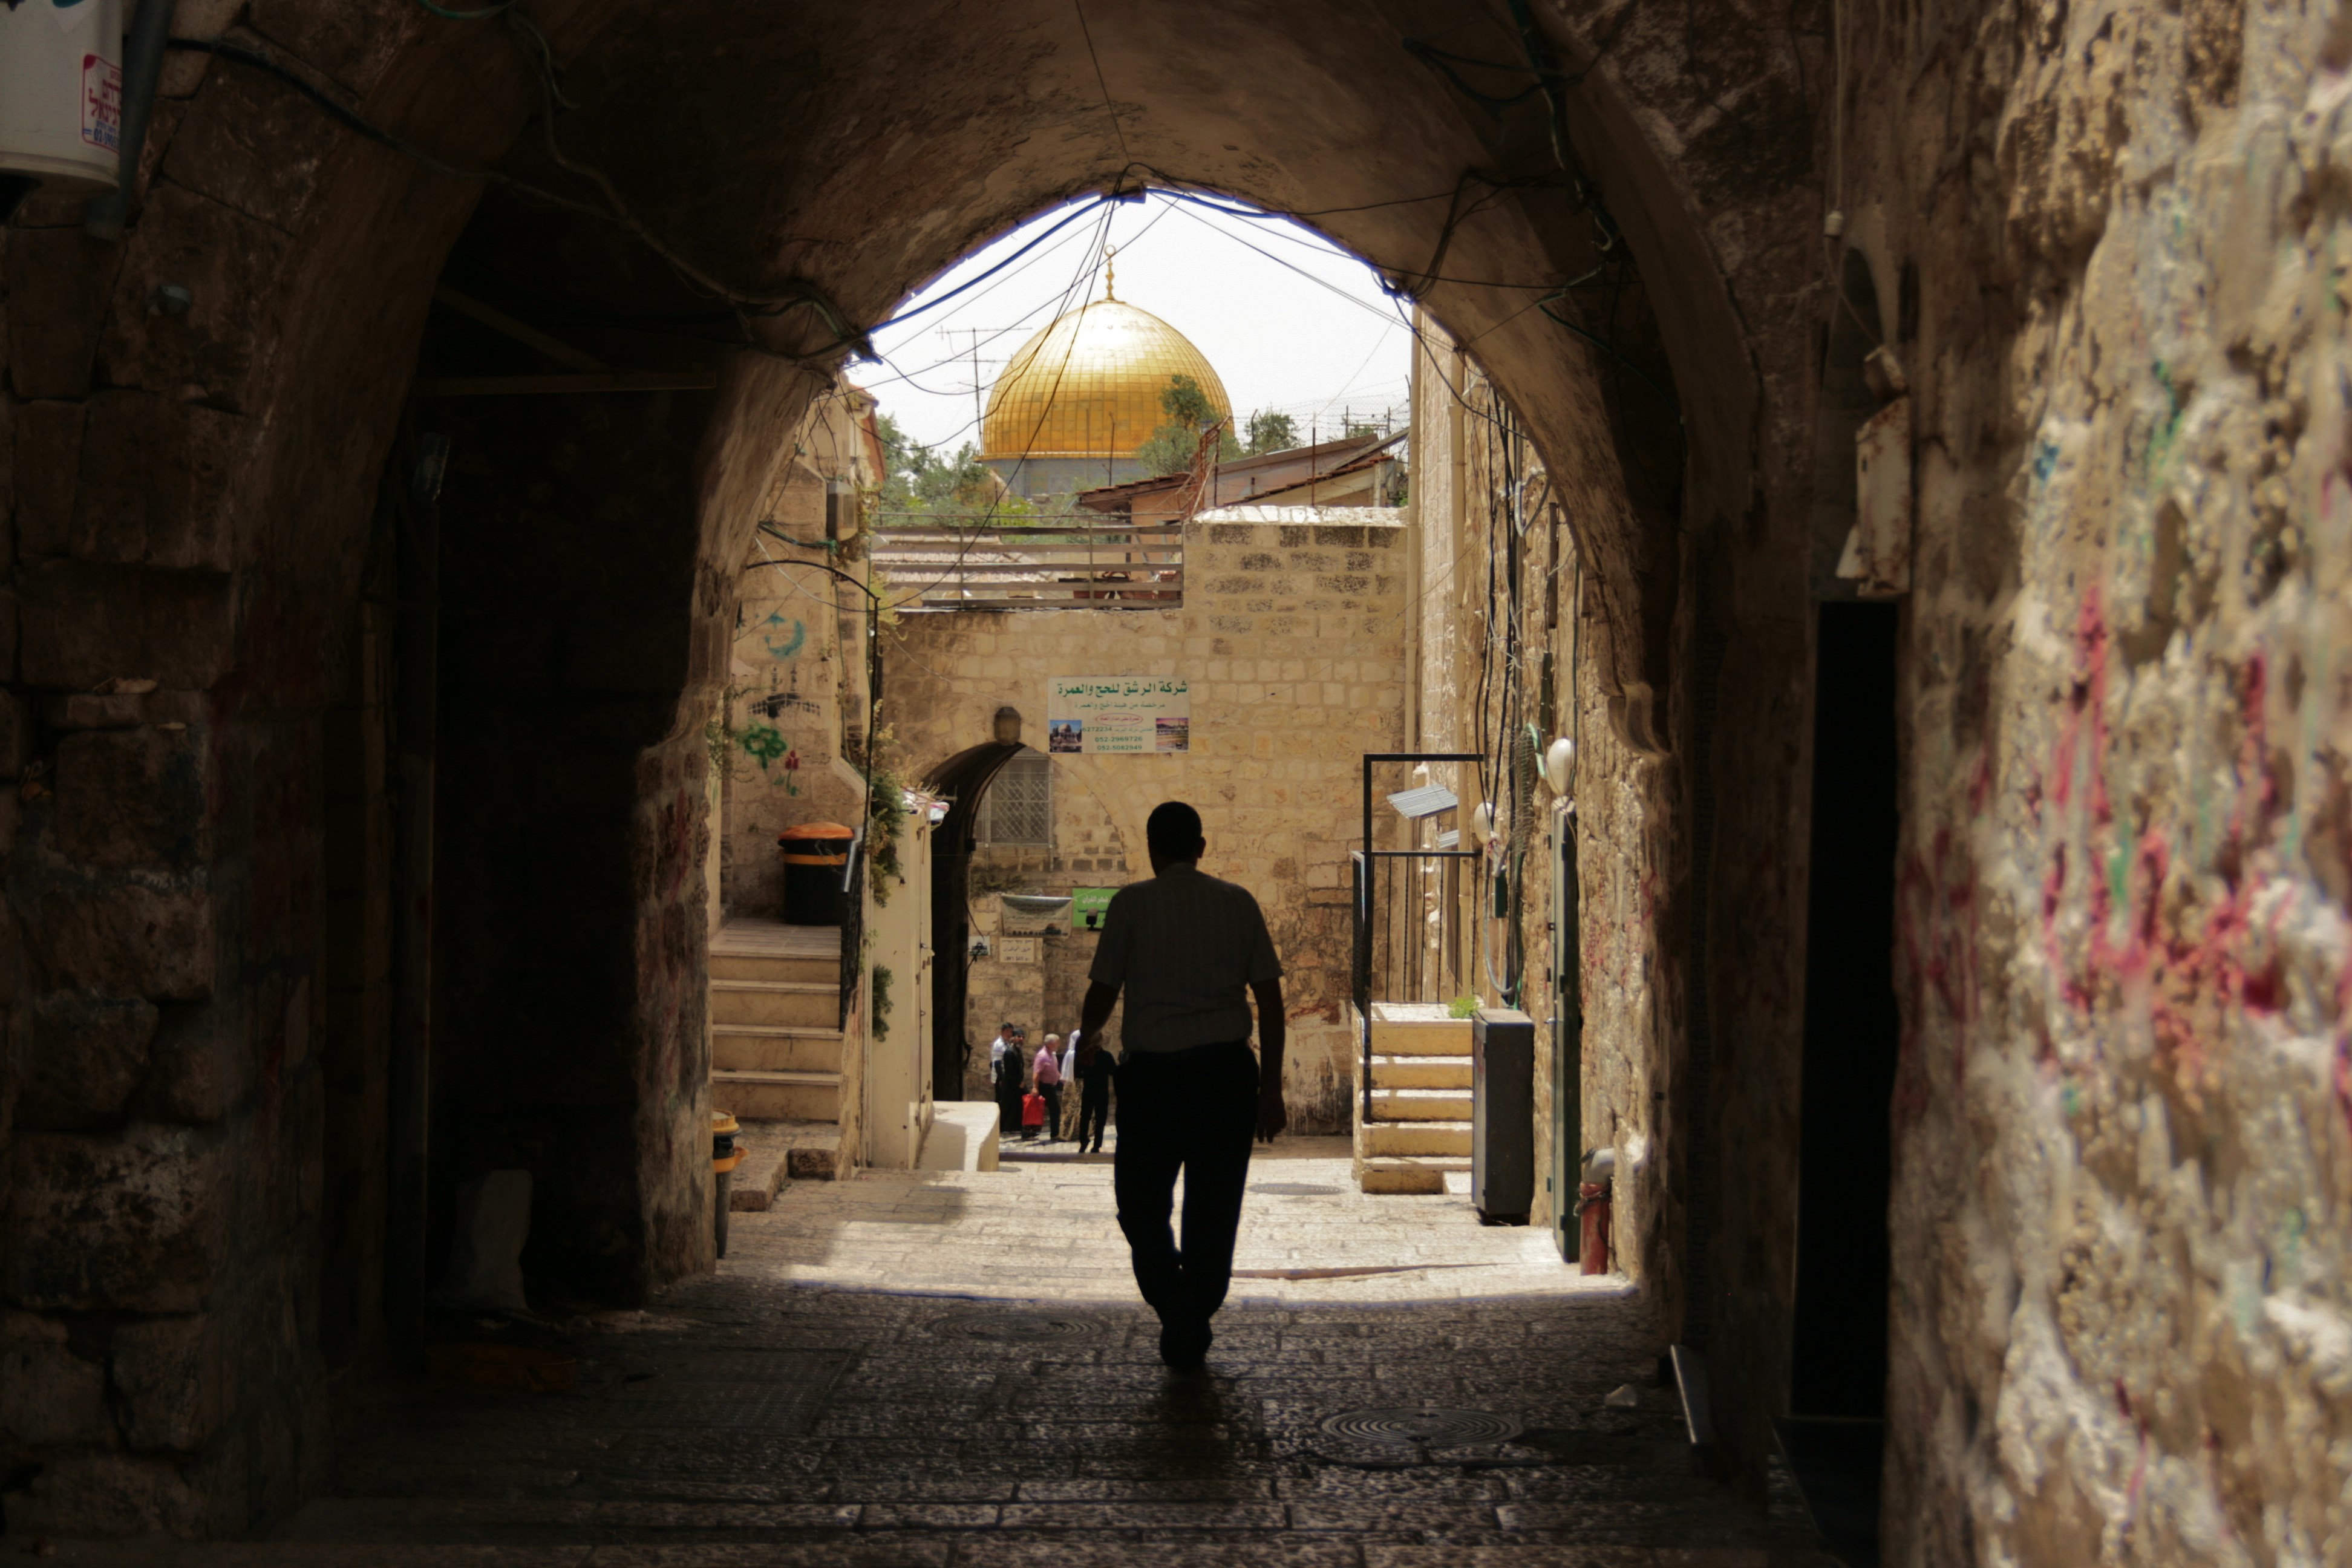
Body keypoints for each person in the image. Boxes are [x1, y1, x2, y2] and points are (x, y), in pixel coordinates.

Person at [1077, 800, 1284, 1370]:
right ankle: (1195, 1304)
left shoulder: (1131, 905)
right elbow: (1269, 999)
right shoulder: (1238, 904)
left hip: (1154, 1080)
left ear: (1152, 849)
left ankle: (1174, 1300)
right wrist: (1271, 1090)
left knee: (1139, 1205)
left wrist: (1086, 1038)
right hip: (1225, 1077)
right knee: (1215, 1208)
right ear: (1201, 847)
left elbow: (1103, 988)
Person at [1073, 1034, 1114, 1155]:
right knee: (1100, 1119)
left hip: (1088, 1091)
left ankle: (1083, 1141)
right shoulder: (1106, 1056)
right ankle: (1097, 1145)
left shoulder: (1084, 1056)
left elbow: (1078, 1074)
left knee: (1085, 1117)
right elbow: (1113, 1071)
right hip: (1102, 1092)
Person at [993, 1024, 1026, 1134]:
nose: (1021, 1039)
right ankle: (1001, 1128)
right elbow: (1001, 1066)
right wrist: (1003, 1080)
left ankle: (1014, 1127)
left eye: (1023, 1037)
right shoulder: (1005, 1049)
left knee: (1015, 1105)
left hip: (1014, 1083)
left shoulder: (1015, 1049)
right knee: (1005, 1106)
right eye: (1019, 1036)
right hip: (1007, 1082)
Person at [1032, 1034, 1065, 1143]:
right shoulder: (1042, 1056)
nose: (1059, 1045)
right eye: (1057, 1042)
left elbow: (1054, 1070)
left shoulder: (1052, 1054)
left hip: (1051, 1086)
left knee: (1051, 1109)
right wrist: (1035, 1088)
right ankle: (1055, 1134)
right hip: (1045, 1086)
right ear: (1051, 1044)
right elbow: (1036, 1073)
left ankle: (1053, 1133)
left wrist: (1062, 1079)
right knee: (1055, 1109)